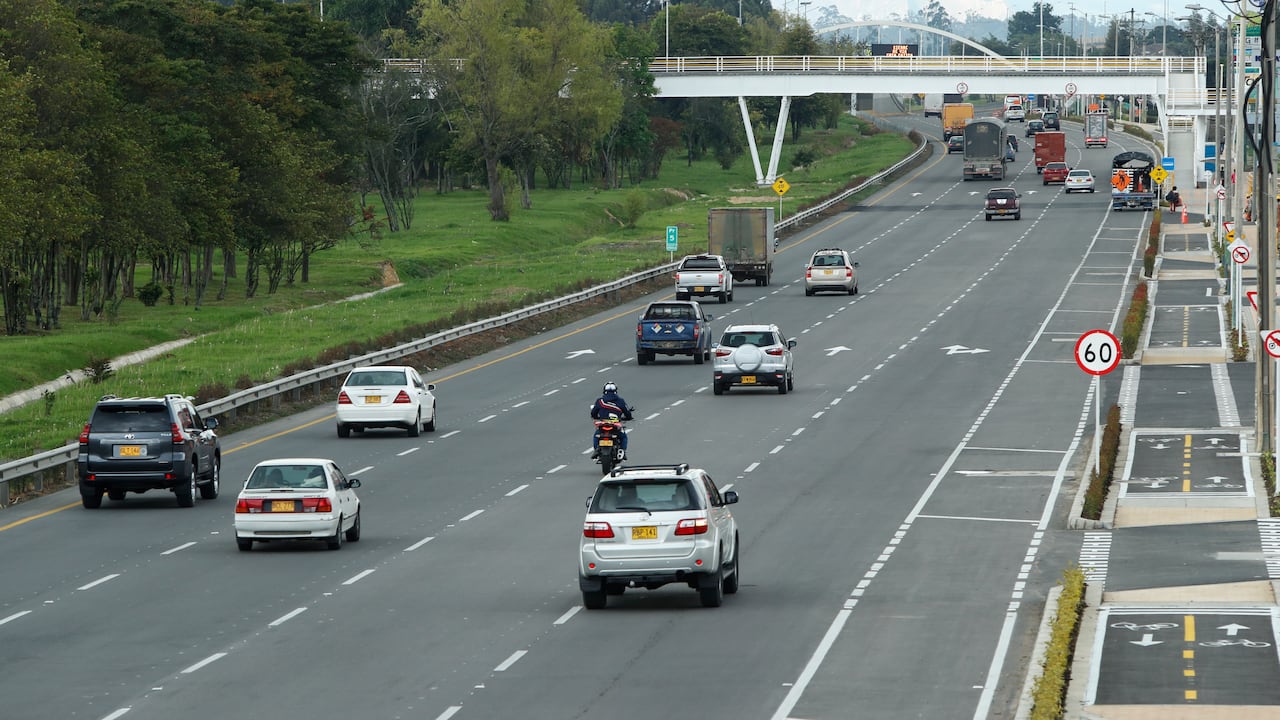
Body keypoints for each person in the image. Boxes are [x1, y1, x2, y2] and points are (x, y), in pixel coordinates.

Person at [590, 382, 633, 458]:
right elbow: (627, 413)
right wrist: (628, 417)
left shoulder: (600, 401)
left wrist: (596, 417)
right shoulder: (620, 401)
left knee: (596, 435)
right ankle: (622, 451)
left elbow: (593, 413)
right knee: (623, 437)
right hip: (615, 424)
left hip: (603, 423)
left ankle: (596, 449)